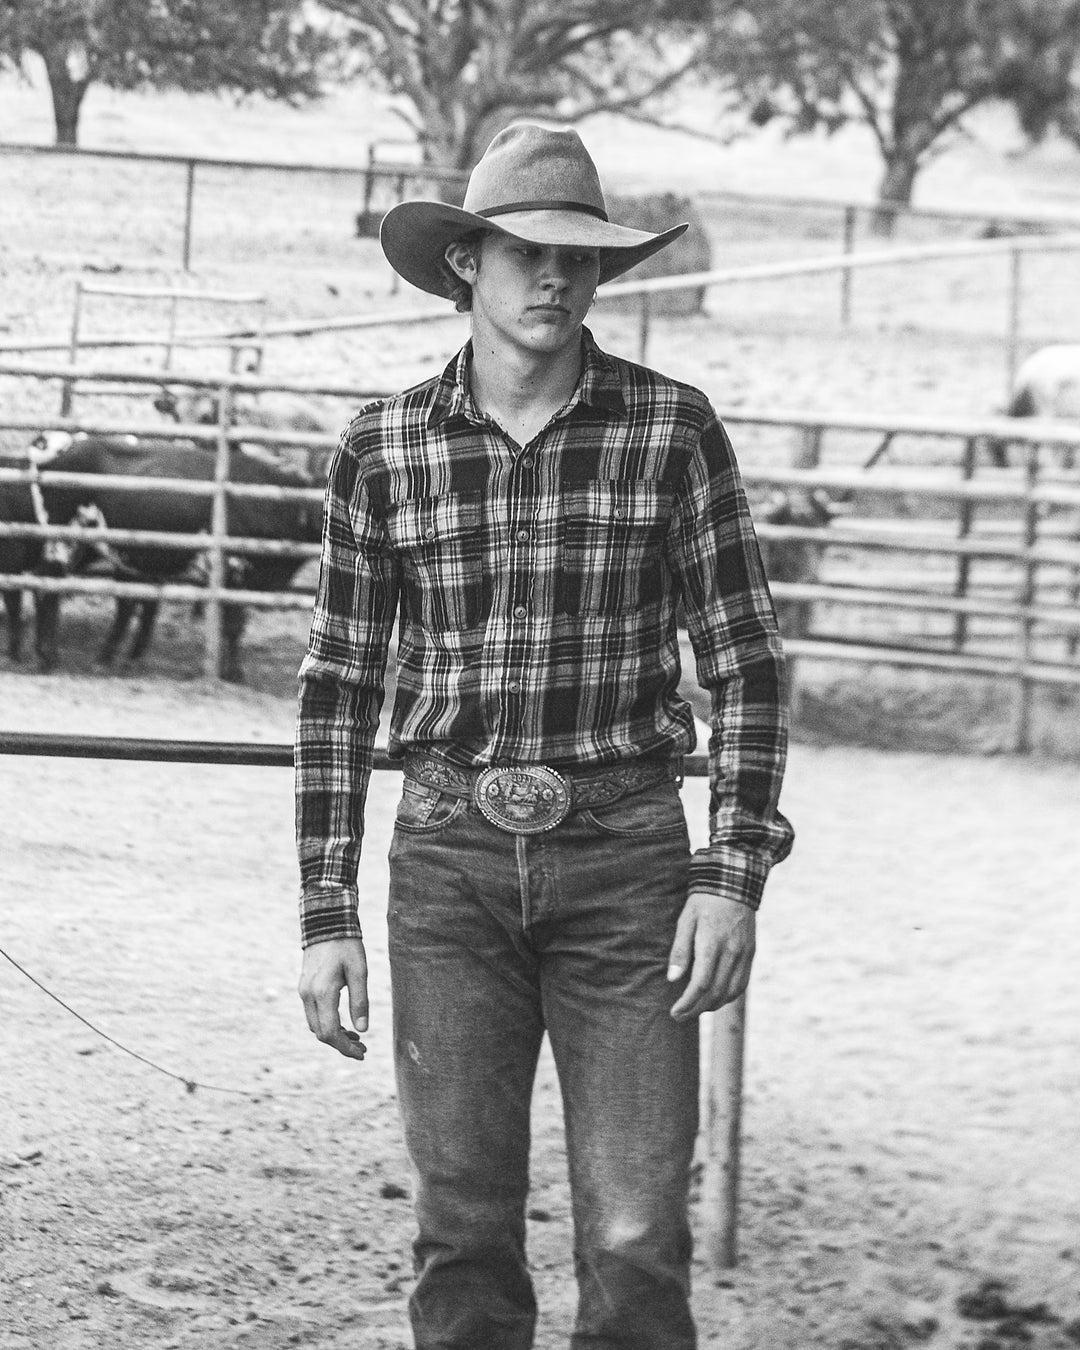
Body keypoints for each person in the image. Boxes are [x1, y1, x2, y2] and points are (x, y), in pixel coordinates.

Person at [295, 122, 794, 1350]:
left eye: (580, 256)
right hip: (450, 860)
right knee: (461, 1223)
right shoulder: (385, 445)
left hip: (626, 859)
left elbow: (744, 658)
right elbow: (339, 688)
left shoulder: (673, 429)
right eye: (525, 251)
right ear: (468, 261)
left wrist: (730, 876)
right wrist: (323, 914)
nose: (554, 278)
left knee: (633, 1232)